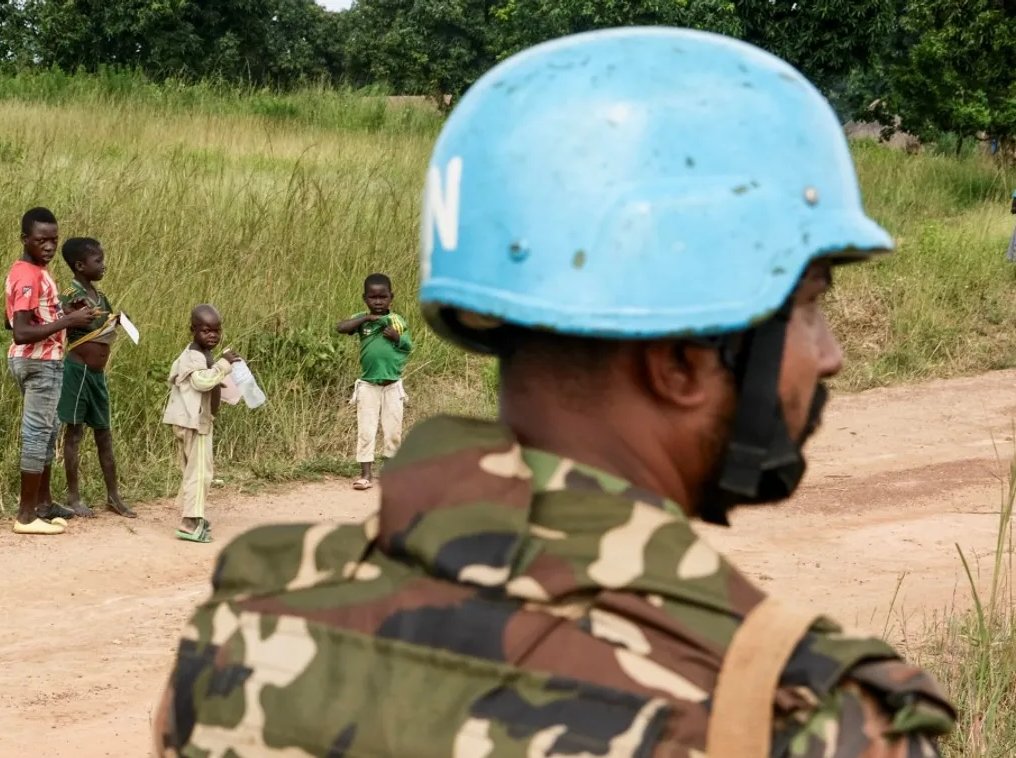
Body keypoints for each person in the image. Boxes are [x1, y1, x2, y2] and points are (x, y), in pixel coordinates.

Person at [152, 27, 956, 757]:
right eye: (810, 305)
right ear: (679, 360)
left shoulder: (244, 629)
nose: (831, 357)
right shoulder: (808, 726)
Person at [4, 207, 94, 536]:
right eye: (41, 240)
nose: (49, 246)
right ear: (25, 239)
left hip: (46, 360)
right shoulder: (28, 274)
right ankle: (26, 515)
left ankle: (43, 504)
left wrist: (63, 311)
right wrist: (69, 321)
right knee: (37, 435)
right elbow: (20, 331)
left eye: (54, 239)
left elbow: (14, 318)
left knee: (48, 433)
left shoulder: (35, 271)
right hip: (37, 361)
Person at [55, 237, 138, 520]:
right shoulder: (70, 293)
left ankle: (114, 496)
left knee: (104, 433)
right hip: (77, 372)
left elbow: (103, 323)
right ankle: (73, 496)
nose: (104, 266)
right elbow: (61, 316)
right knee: (75, 433)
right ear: (80, 265)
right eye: (98, 261)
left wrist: (119, 319)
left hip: (97, 375)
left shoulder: (99, 296)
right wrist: (71, 312)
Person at [161, 305, 242, 544]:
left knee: (193, 472)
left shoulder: (204, 355)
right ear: (193, 330)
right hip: (194, 424)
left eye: (217, 331)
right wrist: (224, 365)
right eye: (206, 331)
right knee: (200, 474)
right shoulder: (192, 356)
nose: (213, 336)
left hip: (196, 421)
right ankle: (190, 522)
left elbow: (209, 381)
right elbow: (201, 381)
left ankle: (192, 516)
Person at [336, 273, 414, 491]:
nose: (378, 302)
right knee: (366, 429)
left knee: (393, 431)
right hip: (368, 386)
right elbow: (341, 328)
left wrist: (396, 338)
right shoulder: (362, 320)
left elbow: (408, 346)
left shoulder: (397, 321)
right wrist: (365, 319)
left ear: (391, 297)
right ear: (365, 299)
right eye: (372, 297)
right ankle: (366, 475)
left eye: (383, 297)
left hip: (392, 386)